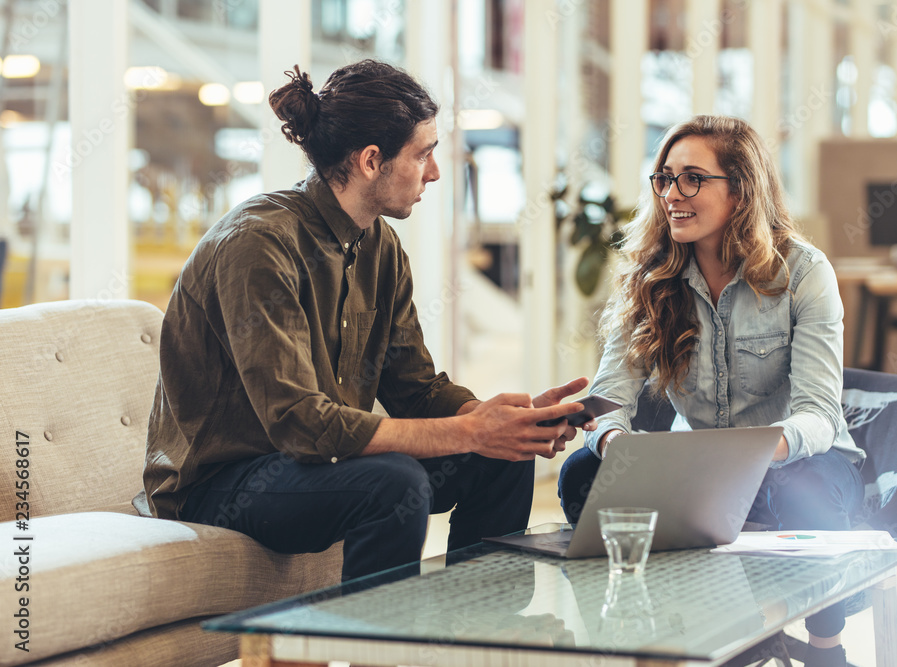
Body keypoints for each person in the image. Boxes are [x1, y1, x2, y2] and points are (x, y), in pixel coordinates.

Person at [133, 59, 593, 581]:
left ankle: (474, 638)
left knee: (505, 456)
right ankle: (377, 652)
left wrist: (502, 420)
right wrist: (469, 429)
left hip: (315, 467)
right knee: (394, 482)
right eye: (424, 155)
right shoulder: (258, 245)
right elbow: (301, 424)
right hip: (220, 482)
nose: (436, 173)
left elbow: (415, 390)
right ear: (372, 161)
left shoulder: (380, 247)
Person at [557, 115, 866, 667]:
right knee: (581, 473)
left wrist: (744, 455)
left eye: (693, 179)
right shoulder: (649, 278)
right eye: (665, 178)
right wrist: (615, 445)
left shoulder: (804, 272)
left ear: (742, 190)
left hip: (796, 458)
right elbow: (607, 401)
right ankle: (646, 623)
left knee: (804, 492)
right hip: (696, 468)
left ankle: (826, 648)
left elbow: (819, 413)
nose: (673, 194)